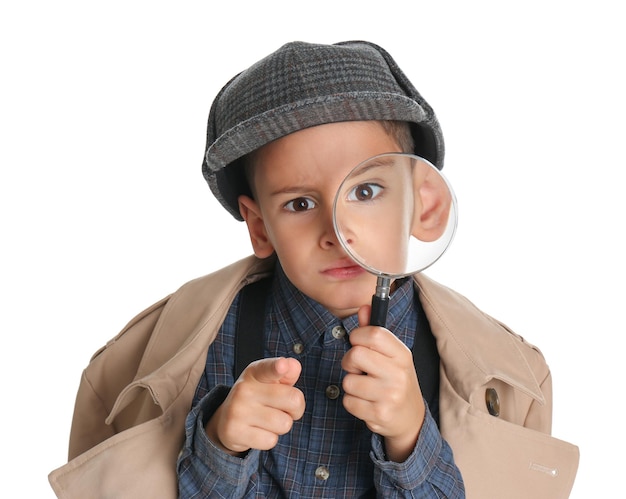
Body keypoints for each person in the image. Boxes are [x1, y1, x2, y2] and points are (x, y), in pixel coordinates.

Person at [48, 41, 579, 498]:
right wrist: (219, 445)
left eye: (366, 192)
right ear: (259, 228)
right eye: (300, 204)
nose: (337, 230)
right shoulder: (166, 358)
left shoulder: (512, 381)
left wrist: (412, 438)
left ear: (423, 205)